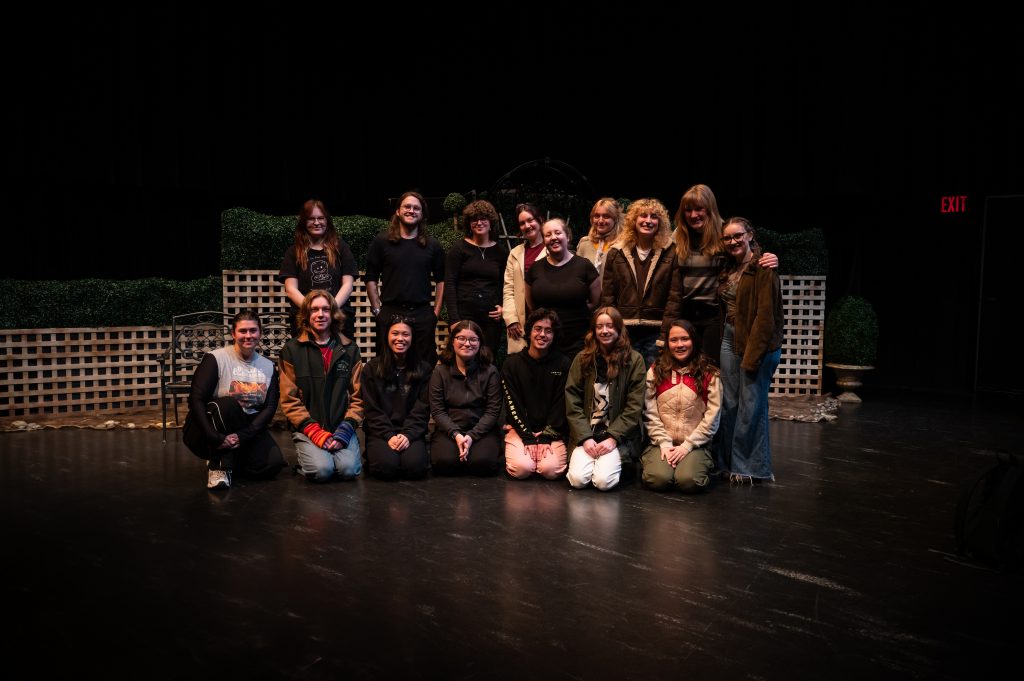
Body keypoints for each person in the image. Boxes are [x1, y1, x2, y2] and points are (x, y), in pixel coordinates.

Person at [662, 184, 777, 365]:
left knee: (711, 366)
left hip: (714, 313)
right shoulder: (679, 235)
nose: (693, 215)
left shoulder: (722, 233)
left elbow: (747, 251)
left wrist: (769, 258)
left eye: (699, 209)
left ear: (710, 208)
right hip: (685, 312)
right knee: (686, 366)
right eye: (688, 210)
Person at [183, 310, 286, 490]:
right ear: (233, 334)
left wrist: (243, 436)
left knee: (273, 464)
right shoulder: (216, 359)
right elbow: (196, 400)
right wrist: (214, 437)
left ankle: (231, 459)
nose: (248, 335)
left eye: (253, 330)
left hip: (245, 427)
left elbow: (270, 407)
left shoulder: (268, 366)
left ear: (260, 333)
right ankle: (218, 466)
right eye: (243, 331)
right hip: (210, 428)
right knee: (229, 403)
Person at [717, 217, 784, 484]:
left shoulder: (763, 267)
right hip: (729, 337)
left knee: (751, 407)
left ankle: (749, 467)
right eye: (727, 237)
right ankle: (728, 463)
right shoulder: (727, 267)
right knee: (729, 403)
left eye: (738, 235)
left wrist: (752, 356)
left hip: (757, 342)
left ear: (750, 235)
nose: (733, 241)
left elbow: (765, 318)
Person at [278, 290, 363, 482]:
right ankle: (309, 459)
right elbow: (289, 400)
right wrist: (314, 431)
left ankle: (339, 448)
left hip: (340, 427)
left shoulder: (350, 349)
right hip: (309, 428)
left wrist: (345, 430)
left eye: (325, 309)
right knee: (322, 470)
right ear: (306, 314)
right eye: (314, 309)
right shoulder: (291, 350)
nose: (320, 314)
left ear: (333, 314)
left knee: (348, 470)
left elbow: (359, 397)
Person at [564, 307, 647, 492]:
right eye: (599, 326)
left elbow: (634, 407)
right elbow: (572, 400)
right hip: (588, 434)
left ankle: (616, 464)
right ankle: (596, 462)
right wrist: (585, 437)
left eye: (610, 326)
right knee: (577, 480)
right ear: (594, 330)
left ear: (618, 329)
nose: (604, 331)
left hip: (616, 437)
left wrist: (613, 437)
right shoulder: (582, 358)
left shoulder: (634, 360)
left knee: (603, 482)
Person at [364, 191, 446, 366]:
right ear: (398, 211)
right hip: (389, 313)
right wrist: (377, 311)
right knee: (386, 366)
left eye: (416, 208)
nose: (411, 210)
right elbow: (371, 277)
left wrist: (435, 314)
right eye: (407, 206)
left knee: (424, 367)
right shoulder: (382, 242)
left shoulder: (432, 245)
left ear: (422, 214)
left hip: (422, 315)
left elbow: (442, 280)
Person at [641, 319, 722, 493]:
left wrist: (687, 446)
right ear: (667, 343)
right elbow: (649, 413)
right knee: (658, 479)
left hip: (695, 444)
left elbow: (712, 418)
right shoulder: (656, 370)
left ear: (694, 340)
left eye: (685, 339)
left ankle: (695, 464)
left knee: (689, 481)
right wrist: (664, 443)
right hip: (662, 443)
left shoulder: (709, 373)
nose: (679, 345)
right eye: (674, 340)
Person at [600, 197, 676, 366]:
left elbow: (674, 298)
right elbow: (608, 298)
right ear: (633, 220)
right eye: (643, 215)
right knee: (624, 375)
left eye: (654, 217)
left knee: (651, 378)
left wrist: (665, 335)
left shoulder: (671, 252)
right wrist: (612, 329)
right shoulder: (616, 252)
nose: (648, 221)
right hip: (624, 329)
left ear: (660, 222)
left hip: (656, 330)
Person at [501, 308, 571, 480]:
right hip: (521, 429)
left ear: (554, 335)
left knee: (550, 470)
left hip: (552, 431)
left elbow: (561, 403)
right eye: (538, 329)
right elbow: (512, 404)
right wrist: (527, 437)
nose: (542, 334)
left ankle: (542, 455)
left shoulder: (563, 364)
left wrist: (547, 435)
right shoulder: (512, 364)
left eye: (548, 331)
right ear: (529, 332)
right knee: (522, 469)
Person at [361, 315, 433, 480]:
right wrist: (389, 435)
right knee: (385, 468)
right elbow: (372, 409)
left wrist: (408, 435)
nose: (400, 338)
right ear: (387, 336)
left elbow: (422, 408)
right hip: (381, 432)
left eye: (405, 334)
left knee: (415, 468)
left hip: (411, 432)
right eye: (395, 333)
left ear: (412, 338)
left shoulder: (424, 370)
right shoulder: (371, 368)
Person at [278, 199, 359, 340]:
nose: (316, 222)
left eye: (321, 218)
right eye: (311, 218)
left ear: (327, 221)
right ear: (304, 222)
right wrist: (314, 310)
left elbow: (348, 284)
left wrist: (329, 309)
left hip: (338, 316)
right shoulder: (294, 252)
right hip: (305, 318)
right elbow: (291, 289)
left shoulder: (341, 248)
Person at [428, 320, 502, 476]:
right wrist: (456, 434)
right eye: (461, 338)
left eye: (473, 339)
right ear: (452, 341)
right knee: (443, 463)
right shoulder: (440, 372)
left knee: (483, 463)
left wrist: (471, 436)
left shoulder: (490, 371)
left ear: (480, 343)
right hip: (449, 430)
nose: (467, 343)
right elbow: (438, 411)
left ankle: (470, 454)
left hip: (481, 430)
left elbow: (493, 411)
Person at [525, 218, 600, 358]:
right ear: (544, 240)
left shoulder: (584, 266)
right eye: (548, 235)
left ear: (568, 236)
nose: (553, 237)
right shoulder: (535, 268)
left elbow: (595, 301)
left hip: (578, 340)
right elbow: (531, 305)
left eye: (558, 233)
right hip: (545, 342)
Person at [443, 200, 506, 354]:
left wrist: (503, 307)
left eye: (483, 218)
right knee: (464, 358)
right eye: (474, 219)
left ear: (491, 223)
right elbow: (450, 284)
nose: (479, 223)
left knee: (487, 358)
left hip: (491, 318)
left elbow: (505, 283)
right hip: (464, 316)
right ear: (469, 224)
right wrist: (454, 319)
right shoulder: (459, 249)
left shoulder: (501, 252)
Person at [502, 202, 547, 354]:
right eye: (522, 223)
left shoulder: (553, 249)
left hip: (545, 319)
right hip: (520, 323)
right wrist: (511, 319)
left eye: (530, 220)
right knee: (520, 363)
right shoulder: (515, 253)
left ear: (540, 220)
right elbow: (508, 288)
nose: (527, 226)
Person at [576, 197, 622, 286]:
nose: (600, 221)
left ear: (615, 219)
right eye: (597, 216)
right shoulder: (584, 243)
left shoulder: (622, 246)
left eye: (606, 216)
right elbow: (577, 275)